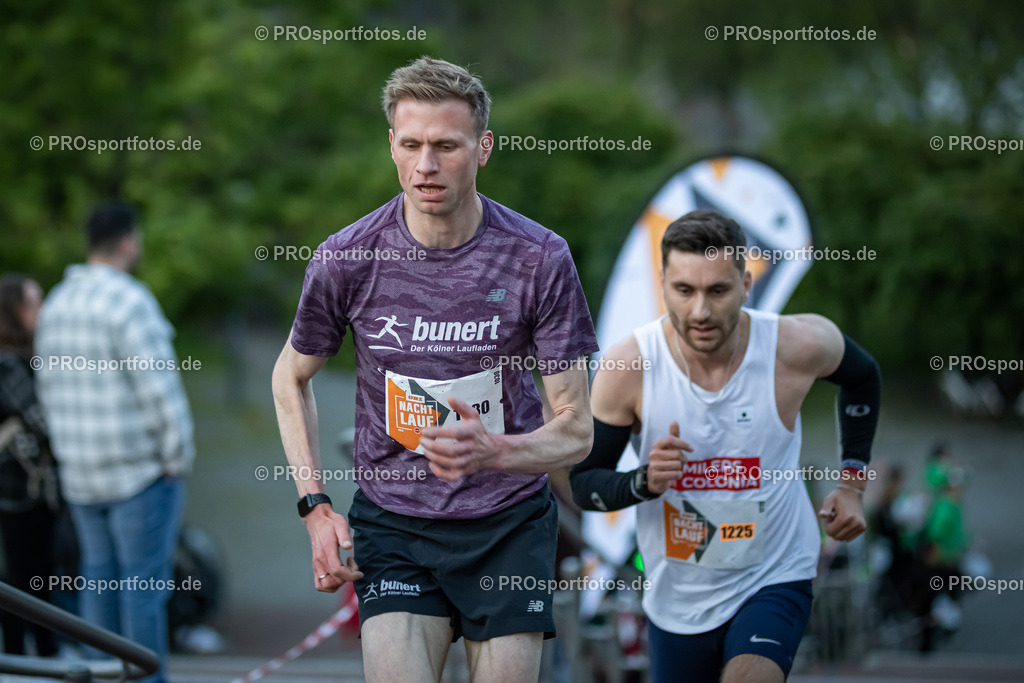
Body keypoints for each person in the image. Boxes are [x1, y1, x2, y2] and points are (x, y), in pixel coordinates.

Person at [272, 56, 598, 682]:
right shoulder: (347, 258)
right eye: (411, 145)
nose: (426, 165)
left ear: (483, 149)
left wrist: (495, 451)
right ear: (391, 146)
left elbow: (577, 429)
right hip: (395, 524)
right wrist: (314, 505)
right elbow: (290, 376)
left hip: (508, 524)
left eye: (446, 146)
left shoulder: (538, 257)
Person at [570, 210, 881, 683]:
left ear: (746, 284)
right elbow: (584, 484)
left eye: (717, 291)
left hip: (775, 572)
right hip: (678, 597)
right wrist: (644, 481)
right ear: (662, 284)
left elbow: (863, 377)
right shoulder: (628, 367)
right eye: (684, 290)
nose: (700, 311)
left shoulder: (795, 345)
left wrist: (853, 484)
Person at [35, 203, 194, 683]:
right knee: (142, 588)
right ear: (128, 241)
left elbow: (46, 388)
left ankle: (100, 678)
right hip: (137, 473)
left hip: (81, 473)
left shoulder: (56, 303)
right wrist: (177, 456)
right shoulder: (130, 301)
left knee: (97, 582)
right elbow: (159, 388)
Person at [0, 274, 61, 657]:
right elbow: (42, 420)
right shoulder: (8, 365)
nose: (41, 310)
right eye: (33, 303)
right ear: (13, 312)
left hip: (31, 488)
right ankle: (25, 658)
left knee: (38, 574)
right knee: (22, 577)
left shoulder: (26, 359)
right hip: (16, 489)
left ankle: (40, 652)